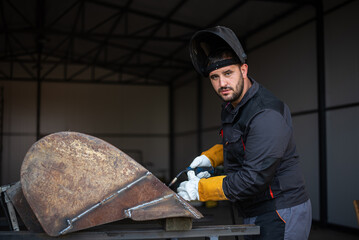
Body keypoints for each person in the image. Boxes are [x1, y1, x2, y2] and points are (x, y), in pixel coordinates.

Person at [177, 26, 312, 240]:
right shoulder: (234, 105)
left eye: (228, 73)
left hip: (279, 210)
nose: (222, 84)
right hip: (254, 208)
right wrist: (211, 157)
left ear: (244, 70)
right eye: (214, 77)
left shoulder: (265, 114)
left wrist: (201, 189)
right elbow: (245, 143)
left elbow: (254, 177)